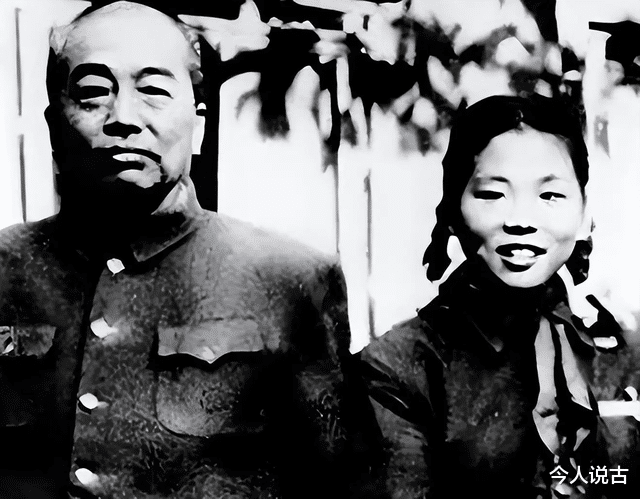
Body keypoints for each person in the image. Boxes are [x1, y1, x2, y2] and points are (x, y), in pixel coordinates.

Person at [0, 2, 370, 498]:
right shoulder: (6, 267)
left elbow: (344, 483)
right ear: (53, 127)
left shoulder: (290, 279)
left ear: (199, 122)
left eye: (153, 91)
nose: (123, 118)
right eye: (92, 93)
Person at [356, 94, 639, 498]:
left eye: (550, 195)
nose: (521, 220)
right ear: (453, 208)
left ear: (584, 211)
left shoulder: (623, 353)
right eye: (492, 194)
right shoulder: (398, 369)